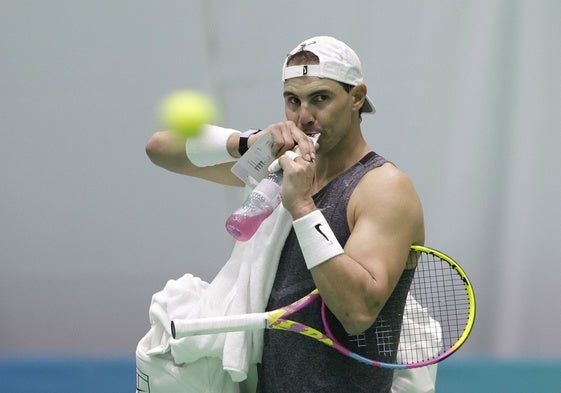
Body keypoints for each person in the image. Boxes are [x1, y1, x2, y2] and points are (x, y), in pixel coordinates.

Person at [145, 36, 433, 393]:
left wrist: (302, 206)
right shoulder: (278, 167)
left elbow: (357, 312)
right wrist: (249, 143)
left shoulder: (383, 188)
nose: (304, 117)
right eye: (293, 100)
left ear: (357, 97)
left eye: (321, 99)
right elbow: (160, 150)